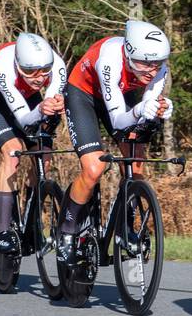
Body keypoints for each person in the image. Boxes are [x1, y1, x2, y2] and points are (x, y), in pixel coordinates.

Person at [57, 20, 173, 282]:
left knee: (136, 166)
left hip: (123, 97)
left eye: (157, 63)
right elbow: (120, 119)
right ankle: (67, 228)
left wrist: (159, 110)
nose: (151, 69)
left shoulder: (157, 69)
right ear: (129, 53)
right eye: (144, 62)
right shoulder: (109, 59)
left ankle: (125, 227)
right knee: (94, 167)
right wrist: (141, 110)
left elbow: (146, 110)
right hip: (84, 95)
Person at [0, 32, 67, 254]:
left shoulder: (58, 66)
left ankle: (30, 216)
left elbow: (49, 102)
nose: (38, 77)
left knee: (43, 155)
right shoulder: (3, 67)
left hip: (26, 96)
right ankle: (3, 231)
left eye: (44, 71)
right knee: (13, 151)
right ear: (17, 64)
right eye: (29, 71)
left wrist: (54, 105)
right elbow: (25, 119)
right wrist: (42, 109)